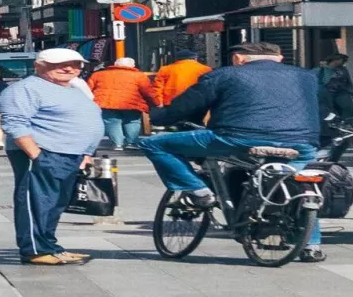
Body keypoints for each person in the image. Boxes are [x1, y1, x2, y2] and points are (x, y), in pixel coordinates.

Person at [139, 41, 327, 263]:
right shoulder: (307, 76)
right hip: (301, 144)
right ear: (280, 59)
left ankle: (199, 191)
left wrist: (160, 117)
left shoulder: (224, 75)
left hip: (236, 138)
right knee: (298, 183)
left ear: (238, 58)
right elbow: (323, 107)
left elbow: (189, 105)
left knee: (154, 144)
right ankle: (311, 246)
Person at [0, 48, 105, 266]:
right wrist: (36, 154)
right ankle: (35, 250)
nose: (68, 68)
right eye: (60, 64)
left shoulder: (74, 88)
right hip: (43, 151)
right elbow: (14, 123)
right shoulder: (26, 88)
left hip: (70, 153)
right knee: (37, 201)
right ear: (39, 65)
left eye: (75, 64)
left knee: (55, 203)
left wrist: (86, 151)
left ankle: (50, 246)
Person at [87, 57, 157, 149]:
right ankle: (131, 143)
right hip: (132, 104)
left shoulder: (98, 75)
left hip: (107, 103)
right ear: (133, 66)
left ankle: (118, 144)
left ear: (115, 65)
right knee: (132, 121)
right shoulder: (139, 76)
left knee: (112, 122)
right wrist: (156, 103)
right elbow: (148, 92)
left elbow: (87, 90)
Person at [313, 53, 353, 133]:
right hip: (327, 93)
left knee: (348, 107)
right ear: (335, 60)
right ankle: (330, 127)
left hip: (341, 92)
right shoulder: (321, 70)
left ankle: (347, 125)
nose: (343, 62)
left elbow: (348, 81)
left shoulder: (343, 70)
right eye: (342, 60)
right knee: (329, 110)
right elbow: (319, 81)